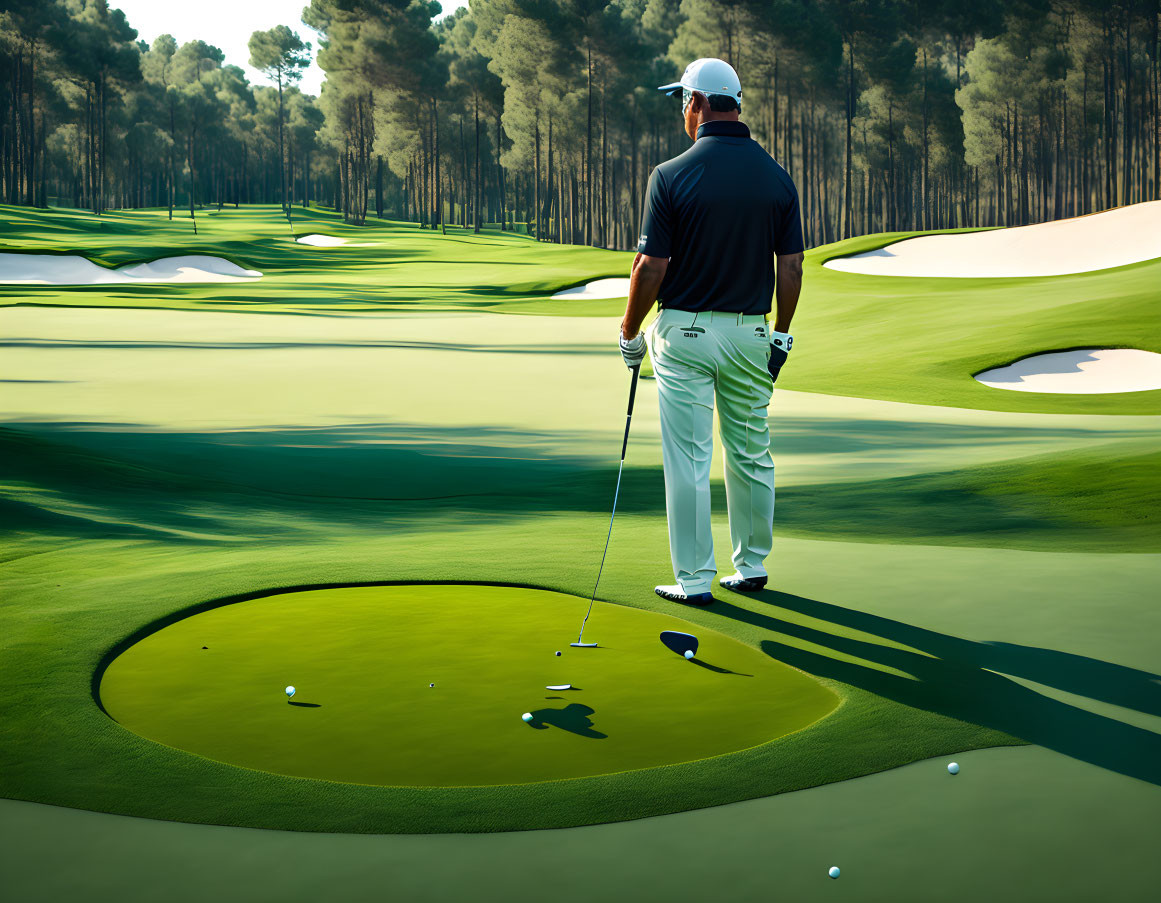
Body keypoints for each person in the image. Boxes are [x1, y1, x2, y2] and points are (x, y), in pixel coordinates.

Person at [617, 57, 805, 606]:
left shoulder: (670, 175)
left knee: (690, 461)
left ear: (697, 103)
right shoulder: (776, 176)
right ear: (736, 105)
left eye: (684, 100)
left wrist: (630, 333)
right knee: (750, 453)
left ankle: (696, 580)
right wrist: (782, 334)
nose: (683, 109)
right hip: (753, 332)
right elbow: (790, 268)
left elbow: (651, 267)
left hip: (686, 336)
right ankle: (752, 566)